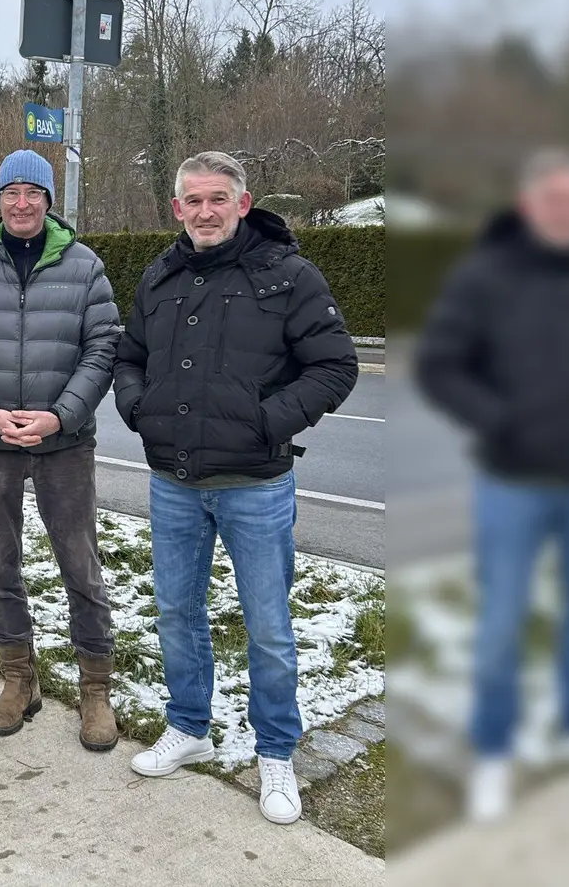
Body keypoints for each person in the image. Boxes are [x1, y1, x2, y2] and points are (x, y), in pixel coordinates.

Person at [112, 151, 357, 825]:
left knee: (270, 627)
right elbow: (127, 356)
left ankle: (275, 749)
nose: (206, 211)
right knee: (176, 614)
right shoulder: (161, 277)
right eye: (193, 200)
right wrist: (139, 408)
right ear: (177, 209)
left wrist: (265, 423)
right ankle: (189, 727)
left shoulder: (288, 275)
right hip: (174, 483)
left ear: (243, 204)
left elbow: (335, 365)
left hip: (256, 485)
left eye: (218, 198)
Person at [416, 147, 569, 823]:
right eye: (555, 199)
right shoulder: (488, 277)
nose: (568, 211)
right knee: (502, 624)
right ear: (531, 204)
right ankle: (492, 753)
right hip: (513, 482)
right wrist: (500, 420)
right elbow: (439, 364)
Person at [0, 149, 122, 751]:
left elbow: (104, 349)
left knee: (80, 566)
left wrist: (59, 416)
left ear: (48, 200)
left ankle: (95, 690)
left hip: (64, 445)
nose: (21, 202)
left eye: (32, 192)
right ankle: (20, 679)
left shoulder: (85, 267)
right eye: (10, 191)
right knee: (2, 566)